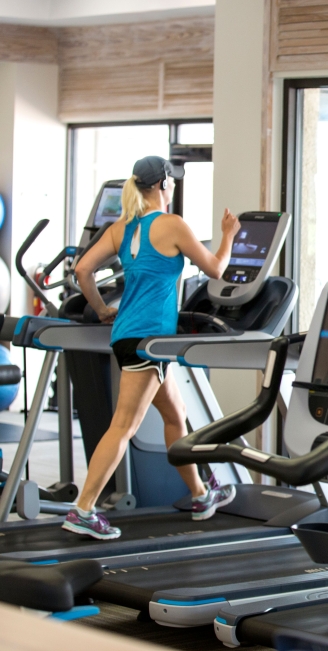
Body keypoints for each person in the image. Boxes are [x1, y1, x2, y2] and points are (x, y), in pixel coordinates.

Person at [61, 156, 243, 540]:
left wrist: (100, 309)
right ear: (161, 185)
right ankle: (83, 510)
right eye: (171, 181)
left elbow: (81, 270)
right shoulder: (172, 225)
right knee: (123, 427)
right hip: (148, 343)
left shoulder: (122, 228)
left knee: (175, 414)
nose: (173, 186)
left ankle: (199, 495)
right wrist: (229, 234)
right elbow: (215, 268)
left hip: (131, 335)